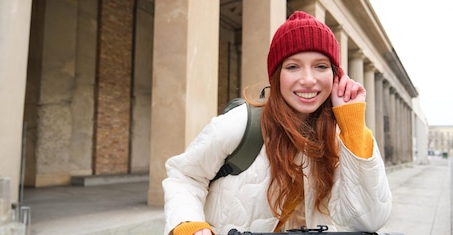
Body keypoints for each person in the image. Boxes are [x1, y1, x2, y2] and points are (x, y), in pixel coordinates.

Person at [163, 11, 392, 235]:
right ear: (276, 75)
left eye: (321, 66)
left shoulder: (341, 136)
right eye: (293, 67)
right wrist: (188, 223)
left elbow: (369, 220)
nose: (308, 80)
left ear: (336, 76)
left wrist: (352, 124)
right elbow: (185, 176)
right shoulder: (241, 123)